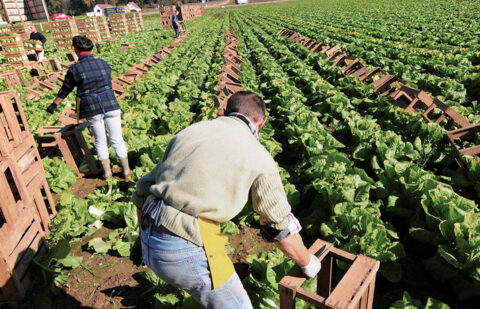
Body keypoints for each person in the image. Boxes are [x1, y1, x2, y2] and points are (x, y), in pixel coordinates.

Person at [132, 91, 321, 308]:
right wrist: (308, 263)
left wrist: (143, 237)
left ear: (224, 112)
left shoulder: (190, 132)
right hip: (183, 249)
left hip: (149, 234)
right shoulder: (259, 155)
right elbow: (279, 226)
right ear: (261, 124)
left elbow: (143, 189)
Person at [46, 35, 131, 179]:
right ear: (90, 48)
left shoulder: (75, 69)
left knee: (100, 141)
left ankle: (107, 172)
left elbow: (66, 89)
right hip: (111, 104)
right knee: (117, 139)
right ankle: (126, 170)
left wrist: (54, 104)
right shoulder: (103, 63)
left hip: (92, 109)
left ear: (75, 50)